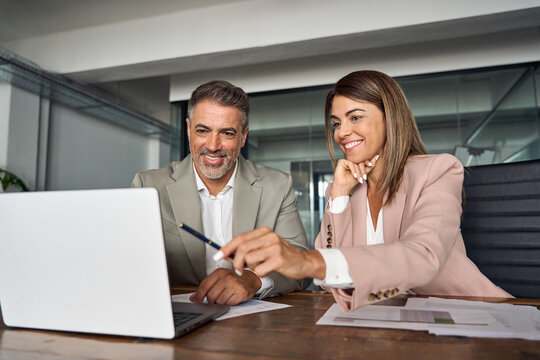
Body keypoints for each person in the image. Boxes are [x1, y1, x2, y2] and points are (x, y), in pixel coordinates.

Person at [215, 70, 512, 311]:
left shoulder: (438, 171)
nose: (342, 133)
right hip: (382, 319)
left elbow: (424, 255)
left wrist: (307, 260)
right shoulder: (346, 189)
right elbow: (329, 282)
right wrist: (339, 198)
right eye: (336, 123)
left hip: (465, 314)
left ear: (390, 118)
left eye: (355, 117)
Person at [132, 80, 309, 305]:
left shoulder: (278, 186)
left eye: (226, 133)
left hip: (252, 326)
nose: (213, 146)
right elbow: (131, 265)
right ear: (188, 129)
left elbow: (302, 267)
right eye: (203, 130)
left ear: (243, 136)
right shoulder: (148, 186)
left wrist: (254, 280)